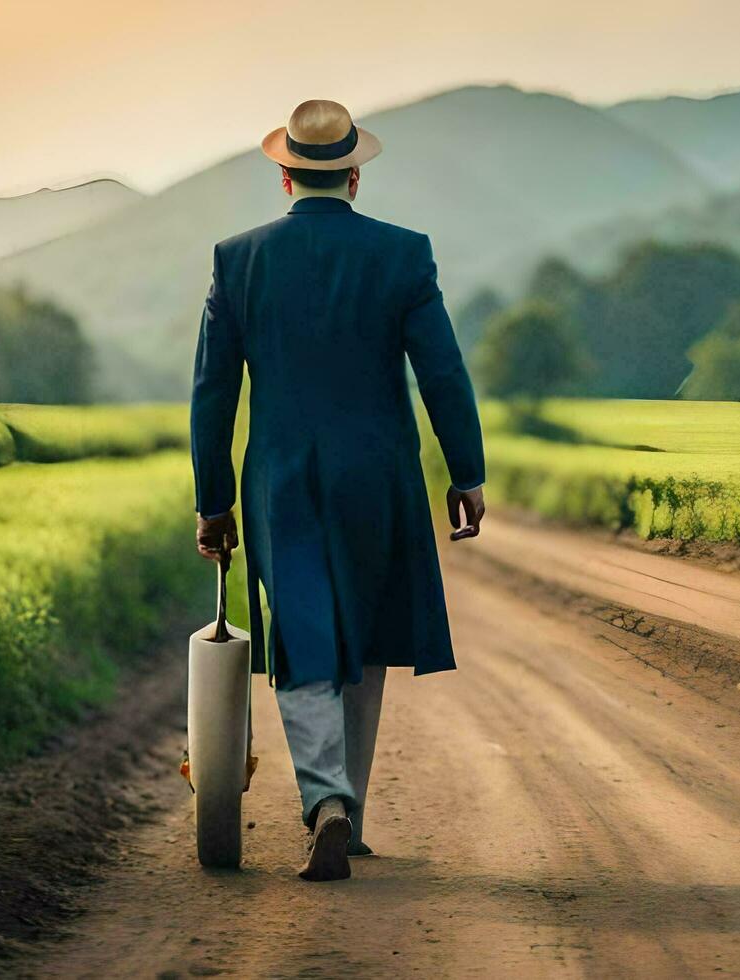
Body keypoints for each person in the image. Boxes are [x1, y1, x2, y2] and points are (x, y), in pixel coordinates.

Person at [190, 99, 486, 882]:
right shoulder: (403, 254)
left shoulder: (236, 259)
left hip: (283, 476)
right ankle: (343, 808)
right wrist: (467, 473)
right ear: (355, 176)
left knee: (304, 635)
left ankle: (326, 799)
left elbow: (212, 392)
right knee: (367, 636)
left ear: (284, 175)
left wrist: (213, 502)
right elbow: (443, 374)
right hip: (381, 473)